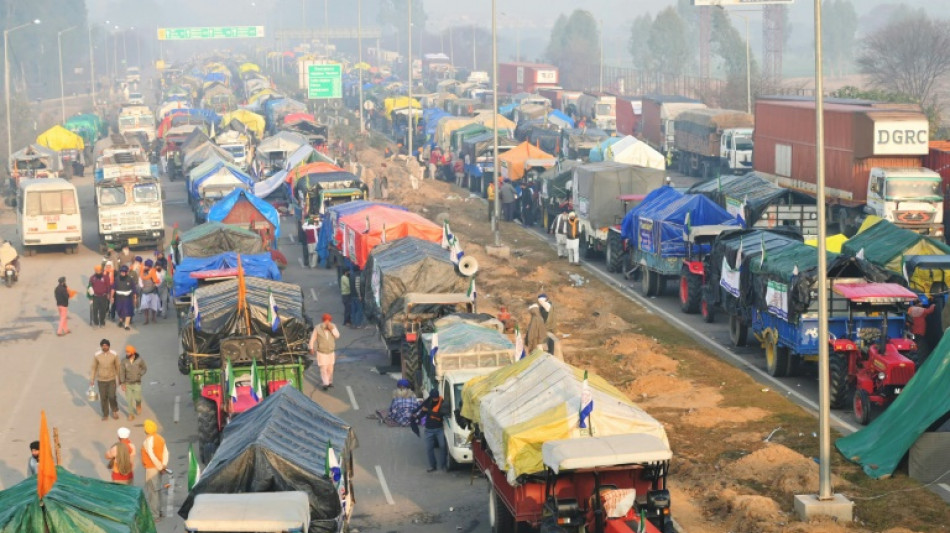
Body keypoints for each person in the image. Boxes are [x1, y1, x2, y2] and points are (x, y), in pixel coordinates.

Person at [141, 419, 169, 521]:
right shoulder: (160, 438)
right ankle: (160, 512)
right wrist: (163, 465)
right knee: (158, 490)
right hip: (159, 467)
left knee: (153, 493)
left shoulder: (147, 441)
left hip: (152, 469)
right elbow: (166, 453)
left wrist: (160, 467)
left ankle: (154, 515)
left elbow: (152, 456)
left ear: (146, 430)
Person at [417, 388, 449, 472]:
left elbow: (439, 415)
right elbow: (423, 412)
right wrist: (417, 417)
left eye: (436, 398)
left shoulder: (442, 403)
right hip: (428, 430)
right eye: (433, 398)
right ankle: (432, 466)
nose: (435, 399)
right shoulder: (428, 402)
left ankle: (443, 465)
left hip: (439, 429)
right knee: (429, 449)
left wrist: (428, 410)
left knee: (442, 446)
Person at [90, 339, 121, 421]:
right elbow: (94, 367)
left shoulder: (114, 354)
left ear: (109, 346)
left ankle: (114, 411)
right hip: (101, 380)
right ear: (101, 346)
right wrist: (92, 379)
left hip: (111, 379)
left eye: (106, 345)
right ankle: (105, 414)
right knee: (103, 398)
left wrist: (120, 378)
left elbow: (118, 366)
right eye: (103, 346)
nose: (105, 347)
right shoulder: (97, 355)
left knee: (112, 396)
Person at [309, 314, 341, 391]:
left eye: (328, 321)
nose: (327, 323)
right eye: (326, 321)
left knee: (330, 369)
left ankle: (329, 382)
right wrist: (311, 348)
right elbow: (312, 339)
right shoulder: (317, 328)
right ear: (323, 321)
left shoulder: (333, 326)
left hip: (331, 352)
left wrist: (332, 329)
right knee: (323, 368)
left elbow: (337, 336)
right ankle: (325, 383)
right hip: (321, 352)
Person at [119, 345, 147, 420]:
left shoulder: (139, 360)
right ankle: (131, 414)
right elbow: (121, 372)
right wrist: (122, 383)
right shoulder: (124, 361)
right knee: (129, 400)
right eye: (126, 352)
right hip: (128, 383)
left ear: (132, 352)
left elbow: (144, 368)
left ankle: (138, 405)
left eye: (128, 352)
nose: (127, 353)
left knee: (138, 398)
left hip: (137, 383)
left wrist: (140, 374)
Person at [139, 260, 162, 325]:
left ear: (150, 267)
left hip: (153, 291)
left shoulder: (156, 273)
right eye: (145, 266)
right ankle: (146, 319)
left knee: (154, 306)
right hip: (145, 291)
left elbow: (159, 281)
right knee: (145, 306)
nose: (146, 267)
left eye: (147, 266)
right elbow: (140, 280)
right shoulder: (142, 273)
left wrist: (155, 285)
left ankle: (153, 318)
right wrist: (142, 286)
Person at [113, 266, 135, 330]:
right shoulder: (117, 279)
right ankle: (121, 321)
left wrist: (135, 297)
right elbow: (113, 288)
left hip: (128, 298)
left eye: (124, 272)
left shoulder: (130, 279)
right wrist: (111, 297)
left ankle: (126, 325)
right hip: (119, 298)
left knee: (128, 311)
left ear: (126, 272)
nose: (123, 273)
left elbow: (134, 288)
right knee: (120, 310)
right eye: (122, 272)